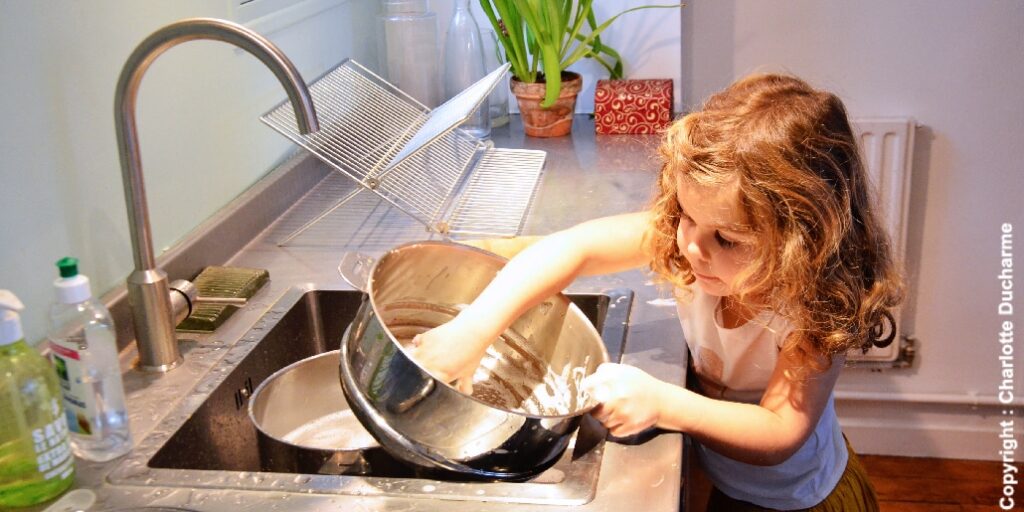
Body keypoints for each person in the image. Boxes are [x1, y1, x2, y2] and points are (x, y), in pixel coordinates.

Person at [408, 73, 904, 511]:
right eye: (687, 215)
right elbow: (575, 248)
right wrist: (470, 333)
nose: (693, 247)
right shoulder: (690, 239)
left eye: (727, 239)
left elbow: (779, 433)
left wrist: (663, 403)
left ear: (800, 242)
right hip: (727, 483)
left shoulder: (814, 309)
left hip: (795, 499)